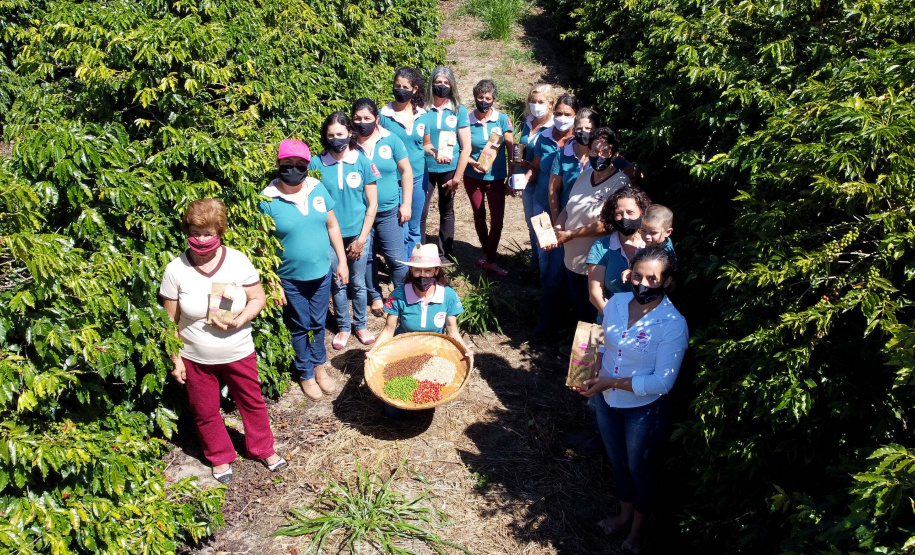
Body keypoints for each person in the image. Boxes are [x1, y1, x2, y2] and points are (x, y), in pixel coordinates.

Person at [160, 198, 286, 484]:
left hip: (239, 350)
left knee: (251, 403)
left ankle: (263, 449)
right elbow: (170, 322)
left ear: (220, 232)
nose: (201, 239)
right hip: (196, 357)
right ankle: (219, 456)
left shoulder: (238, 261)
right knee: (205, 411)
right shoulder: (175, 270)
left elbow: (258, 299)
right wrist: (175, 358)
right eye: (195, 232)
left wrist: (239, 320)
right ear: (186, 231)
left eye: (208, 233)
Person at [575, 246, 688, 554]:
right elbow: (598, 339)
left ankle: (638, 530)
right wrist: (590, 371)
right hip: (605, 400)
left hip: (642, 411)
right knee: (619, 462)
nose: (642, 284)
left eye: (652, 278)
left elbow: (662, 382)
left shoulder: (672, 323)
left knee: (641, 469)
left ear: (666, 282)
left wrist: (612, 382)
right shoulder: (617, 303)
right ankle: (624, 514)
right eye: (637, 275)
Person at [259, 139, 349, 401]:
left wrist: (341, 261)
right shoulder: (267, 199)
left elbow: (332, 226)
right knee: (299, 326)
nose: (294, 169)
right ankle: (306, 373)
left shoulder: (317, 189)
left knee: (318, 322)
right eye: (288, 164)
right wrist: (271, 280)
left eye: (300, 165)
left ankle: (320, 367)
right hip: (290, 278)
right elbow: (263, 245)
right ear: (278, 164)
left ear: (308, 166)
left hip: (321, 273)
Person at [367, 244, 473, 418]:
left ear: (437, 271)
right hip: (402, 349)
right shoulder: (399, 295)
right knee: (392, 412)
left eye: (428, 271)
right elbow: (388, 329)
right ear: (411, 271)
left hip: (433, 350)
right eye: (417, 271)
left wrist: (466, 349)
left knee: (429, 392)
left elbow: (452, 332)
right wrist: (373, 351)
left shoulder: (448, 296)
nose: (422, 276)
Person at [309, 112, 379, 349]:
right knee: (338, 282)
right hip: (329, 236)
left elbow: (372, 204)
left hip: (359, 233)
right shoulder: (316, 164)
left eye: (340, 134)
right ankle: (343, 327)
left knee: (358, 283)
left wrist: (362, 238)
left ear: (350, 133)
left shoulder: (362, 161)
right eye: (331, 135)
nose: (336, 139)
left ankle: (360, 324)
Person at [550, 128, 631, 324]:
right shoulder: (585, 175)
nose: (599, 156)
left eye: (604, 151)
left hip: (596, 263)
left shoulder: (620, 183)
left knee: (594, 313)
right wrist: (559, 229)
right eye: (594, 151)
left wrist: (571, 234)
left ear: (614, 153)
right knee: (579, 309)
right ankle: (580, 351)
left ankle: (596, 354)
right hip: (572, 258)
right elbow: (568, 208)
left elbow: (609, 224)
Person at [352, 98, 413, 317]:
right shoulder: (349, 145)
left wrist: (406, 203)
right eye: (357, 118)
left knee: (396, 258)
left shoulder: (391, 140)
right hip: (360, 213)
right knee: (367, 257)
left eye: (367, 118)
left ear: (377, 119)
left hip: (388, 210)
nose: (362, 123)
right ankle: (375, 296)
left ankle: (401, 296)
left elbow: (406, 171)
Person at [526, 94, 580, 335]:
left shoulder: (581, 144)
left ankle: (554, 311)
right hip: (543, 207)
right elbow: (536, 168)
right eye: (558, 113)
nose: (561, 118)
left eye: (567, 114)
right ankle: (548, 304)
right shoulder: (543, 138)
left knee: (562, 263)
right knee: (545, 256)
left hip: (568, 214)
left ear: (576, 116)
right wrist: (522, 176)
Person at [463, 79, 514, 276]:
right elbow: (460, 150)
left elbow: (511, 150)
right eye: (480, 97)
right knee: (478, 214)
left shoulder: (502, 120)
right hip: (472, 177)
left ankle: (490, 257)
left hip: (496, 178)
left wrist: (512, 175)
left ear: (494, 99)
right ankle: (488, 252)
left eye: (488, 98)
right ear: (475, 97)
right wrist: (470, 162)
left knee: (497, 219)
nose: (484, 101)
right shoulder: (466, 120)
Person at [420, 66, 471, 262]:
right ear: (432, 83)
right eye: (438, 82)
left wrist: (457, 177)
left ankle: (445, 254)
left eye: (446, 83)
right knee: (421, 212)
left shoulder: (459, 110)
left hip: (449, 169)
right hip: (424, 168)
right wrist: (432, 153)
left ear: (452, 85)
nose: (442, 86)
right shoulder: (422, 109)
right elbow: (421, 142)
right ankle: (421, 253)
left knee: (446, 210)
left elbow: (466, 147)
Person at [379, 67, 428, 257]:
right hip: (393, 180)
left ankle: (413, 268)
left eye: (405, 87)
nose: (400, 89)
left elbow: (426, 144)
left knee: (414, 226)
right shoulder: (383, 116)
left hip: (418, 178)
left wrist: (436, 152)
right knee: (401, 226)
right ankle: (400, 269)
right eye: (397, 86)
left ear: (414, 89)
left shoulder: (423, 116)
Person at [587, 186, 652, 319]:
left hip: (649, 321)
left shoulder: (655, 245)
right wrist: (616, 321)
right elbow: (595, 294)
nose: (624, 218)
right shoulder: (601, 247)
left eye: (630, 212)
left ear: (642, 212)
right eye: (618, 213)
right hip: (611, 319)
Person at [514, 84, 555, 268]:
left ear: (551, 104)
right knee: (531, 223)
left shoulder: (554, 127)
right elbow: (527, 150)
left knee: (544, 225)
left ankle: (547, 265)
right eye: (532, 101)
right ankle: (536, 261)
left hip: (544, 182)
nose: (535, 105)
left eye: (540, 102)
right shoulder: (529, 121)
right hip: (528, 179)